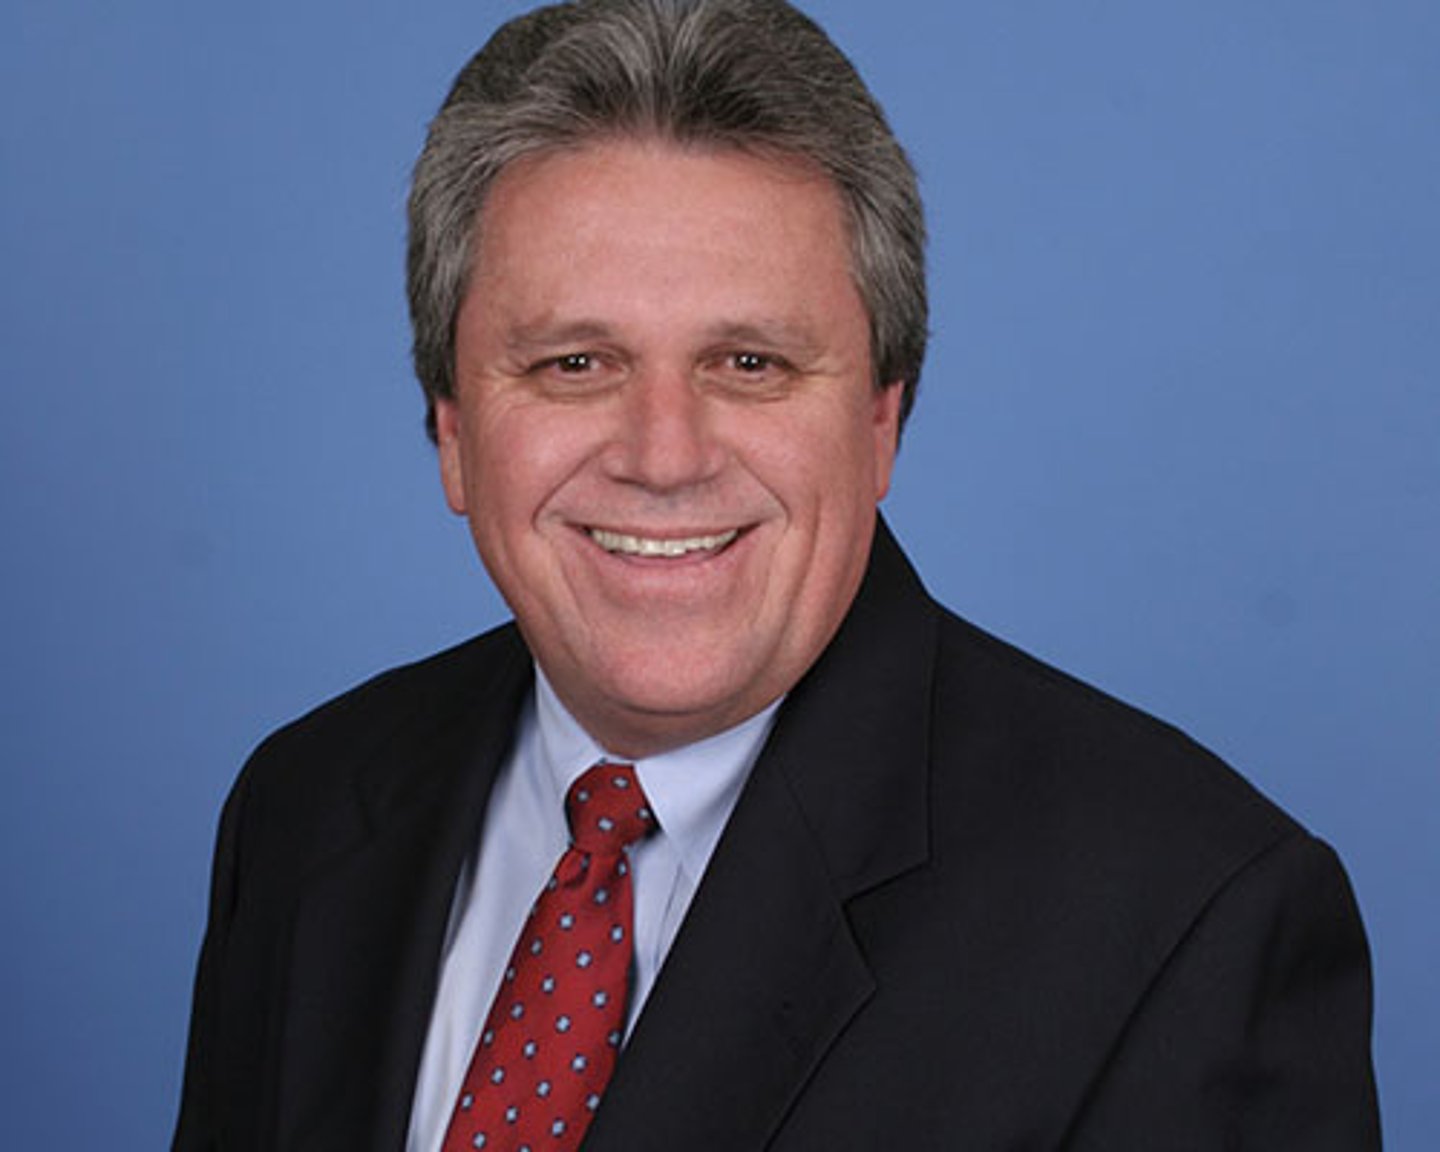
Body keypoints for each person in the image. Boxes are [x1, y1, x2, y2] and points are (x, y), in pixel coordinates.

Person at [172, 1, 1381, 1148]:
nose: (663, 456)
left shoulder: (1189, 923)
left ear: (879, 423)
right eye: (574, 362)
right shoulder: (305, 809)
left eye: (749, 363)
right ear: (450, 431)